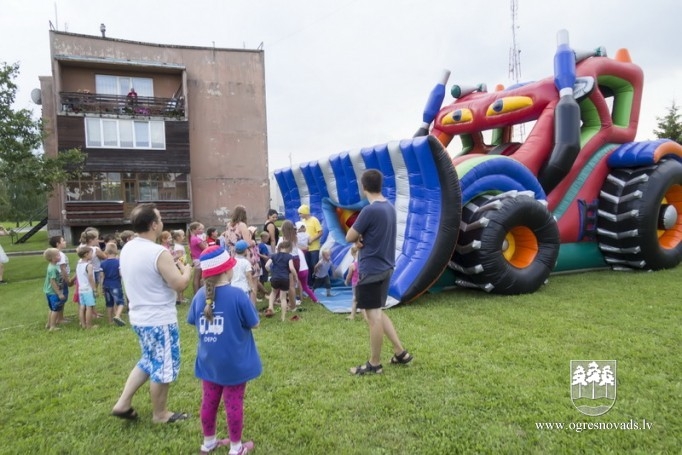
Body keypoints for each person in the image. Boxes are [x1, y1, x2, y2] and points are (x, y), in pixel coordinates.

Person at [111, 203, 192, 423]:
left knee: (148, 360)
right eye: (160, 217)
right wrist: (187, 270)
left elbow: (147, 274)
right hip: (159, 319)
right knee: (164, 366)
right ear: (154, 224)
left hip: (138, 317)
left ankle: (123, 403)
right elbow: (179, 285)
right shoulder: (158, 252)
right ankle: (160, 414)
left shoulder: (128, 247)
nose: (162, 220)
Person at [188, 245, 261, 455]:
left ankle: (208, 443)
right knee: (234, 404)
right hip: (234, 364)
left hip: (209, 363)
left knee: (209, 402)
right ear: (227, 270)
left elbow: (193, 320)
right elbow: (254, 323)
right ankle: (236, 448)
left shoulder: (199, 296)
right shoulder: (238, 295)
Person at [345, 169, 413, 375]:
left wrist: (357, 242)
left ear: (363, 186)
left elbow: (349, 236)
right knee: (377, 313)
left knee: (372, 316)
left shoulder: (370, 210)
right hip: (386, 267)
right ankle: (400, 352)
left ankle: (374, 364)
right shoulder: (390, 208)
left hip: (371, 270)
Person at [280, 220, 319, 305]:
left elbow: (281, 250)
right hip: (297, 260)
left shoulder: (284, 240)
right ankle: (296, 299)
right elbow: (298, 246)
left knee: (290, 283)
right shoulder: (295, 237)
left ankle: (292, 302)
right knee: (295, 283)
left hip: (290, 259)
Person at [264, 241, 298, 321]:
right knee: (283, 298)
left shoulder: (274, 255)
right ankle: (283, 317)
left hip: (275, 277)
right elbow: (291, 268)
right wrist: (295, 276)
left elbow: (266, 265)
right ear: (288, 248)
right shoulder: (289, 256)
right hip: (285, 278)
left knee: (273, 292)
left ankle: (271, 307)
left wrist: (271, 271)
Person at [48, 235, 73, 325]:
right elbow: (63, 269)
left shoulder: (56, 254)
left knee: (61, 300)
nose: (65, 242)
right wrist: (68, 280)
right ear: (58, 244)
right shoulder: (60, 255)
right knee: (61, 299)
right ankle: (59, 319)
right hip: (61, 281)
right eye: (63, 240)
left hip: (60, 280)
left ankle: (60, 317)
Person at [297, 204, 323, 285]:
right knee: (307, 265)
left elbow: (320, 232)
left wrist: (312, 239)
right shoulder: (303, 222)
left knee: (314, 265)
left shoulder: (314, 220)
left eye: (300, 213)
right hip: (305, 248)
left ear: (305, 212)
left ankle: (317, 282)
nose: (299, 215)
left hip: (314, 248)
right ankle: (309, 283)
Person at [101, 243, 126, 326]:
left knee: (109, 303)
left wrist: (102, 287)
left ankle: (110, 321)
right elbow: (120, 274)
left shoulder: (103, 263)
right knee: (120, 302)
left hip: (106, 285)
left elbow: (102, 276)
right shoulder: (118, 262)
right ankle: (117, 315)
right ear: (115, 251)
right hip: (116, 284)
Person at [75, 245, 98, 330]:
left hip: (81, 289)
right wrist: (94, 289)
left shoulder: (78, 264)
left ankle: (83, 324)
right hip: (88, 289)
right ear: (86, 254)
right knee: (89, 307)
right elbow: (90, 277)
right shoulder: (89, 266)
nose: (92, 255)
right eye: (91, 253)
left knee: (82, 307)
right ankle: (89, 326)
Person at [43, 248, 66, 332]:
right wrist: (59, 293)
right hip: (53, 292)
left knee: (51, 308)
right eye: (58, 255)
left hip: (49, 291)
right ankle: (52, 326)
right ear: (53, 258)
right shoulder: (52, 268)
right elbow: (52, 281)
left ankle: (48, 324)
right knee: (55, 309)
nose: (60, 256)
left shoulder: (52, 266)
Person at [231, 240, 256, 305]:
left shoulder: (231, 261)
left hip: (233, 287)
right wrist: (252, 287)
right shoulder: (246, 262)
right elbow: (248, 276)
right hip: (243, 288)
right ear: (245, 250)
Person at [188, 222, 208, 296]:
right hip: (199, 259)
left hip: (196, 258)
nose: (201, 230)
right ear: (193, 230)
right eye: (199, 229)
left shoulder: (192, 238)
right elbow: (205, 248)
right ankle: (197, 294)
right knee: (197, 277)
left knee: (198, 277)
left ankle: (198, 293)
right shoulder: (196, 239)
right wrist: (206, 244)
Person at [344, 246, 361, 320]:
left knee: (355, 299)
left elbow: (349, 276)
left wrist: (346, 282)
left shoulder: (352, 265)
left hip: (356, 284)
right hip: (363, 283)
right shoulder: (364, 263)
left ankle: (352, 315)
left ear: (352, 255)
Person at [172, 229, 188, 305]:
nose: (184, 237)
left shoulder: (178, 245)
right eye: (182, 235)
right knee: (181, 281)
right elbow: (179, 256)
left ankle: (181, 297)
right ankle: (179, 298)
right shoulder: (178, 247)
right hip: (179, 265)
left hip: (180, 264)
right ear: (178, 237)